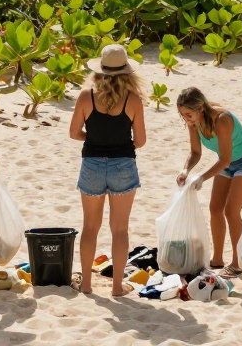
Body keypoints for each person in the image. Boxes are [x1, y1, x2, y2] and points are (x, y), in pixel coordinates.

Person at [69, 44, 147, 297]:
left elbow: (73, 133)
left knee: (90, 227)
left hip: (92, 162)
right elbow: (141, 140)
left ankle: (88, 285)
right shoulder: (132, 100)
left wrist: (94, 140)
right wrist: (120, 145)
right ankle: (116, 286)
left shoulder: (85, 96)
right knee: (120, 229)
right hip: (123, 163)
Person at [176, 87, 242, 278]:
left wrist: (201, 177)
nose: (187, 119)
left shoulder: (222, 119)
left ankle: (238, 262)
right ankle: (217, 259)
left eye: (189, 114)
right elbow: (195, 152)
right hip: (226, 161)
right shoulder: (193, 123)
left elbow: (224, 160)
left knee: (231, 211)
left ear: (200, 108)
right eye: (183, 116)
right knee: (215, 208)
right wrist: (186, 170)